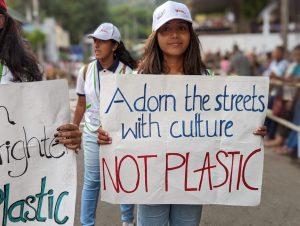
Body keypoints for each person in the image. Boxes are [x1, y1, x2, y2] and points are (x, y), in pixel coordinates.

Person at [98, 1, 267, 225]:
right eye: (166, 29)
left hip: (193, 177)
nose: (174, 35)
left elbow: (225, 123)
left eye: (181, 28)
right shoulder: (137, 81)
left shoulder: (207, 79)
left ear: (190, 34)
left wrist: (249, 129)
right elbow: (121, 126)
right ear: (156, 36)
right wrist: (107, 134)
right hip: (152, 178)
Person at [73, 23, 136, 226]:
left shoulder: (130, 74)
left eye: (102, 40)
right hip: (92, 131)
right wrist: (74, 130)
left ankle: (127, 221)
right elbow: (81, 103)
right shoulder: (84, 72)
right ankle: (87, 224)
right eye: (95, 40)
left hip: (121, 133)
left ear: (115, 46)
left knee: (124, 177)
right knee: (92, 181)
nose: (96, 44)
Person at [0, 0, 81, 149]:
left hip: (17, 160)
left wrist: (68, 137)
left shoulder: (28, 68)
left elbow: (47, 124)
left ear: (1, 20)